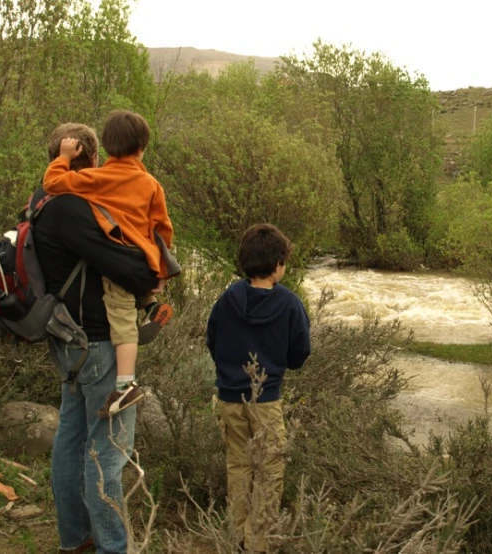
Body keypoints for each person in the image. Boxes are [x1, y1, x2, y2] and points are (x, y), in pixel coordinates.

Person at [34, 123, 161, 553]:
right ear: (91, 157)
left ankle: (76, 539)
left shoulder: (40, 200)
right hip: (96, 342)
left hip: (66, 338)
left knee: (71, 439)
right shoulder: (72, 208)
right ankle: (111, 546)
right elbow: (129, 269)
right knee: (107, 449)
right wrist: (154, 272)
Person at [43, 110, 178, 418]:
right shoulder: (150, 183)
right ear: (142, 147)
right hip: (142, 257)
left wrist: (63, 157)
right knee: (130, 306)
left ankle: (126, 383)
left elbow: (52, 182)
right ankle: (151, 305)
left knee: (121, 321)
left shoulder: (98, 178)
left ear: (105, 146)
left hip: (117, 257)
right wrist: (161, 267)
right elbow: (163, 228)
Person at [206, 224, 311, 553]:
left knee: (237, 464)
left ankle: (238, 537)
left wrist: (227, 370)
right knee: (269, 470)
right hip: (265, 400)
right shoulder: (290, 303)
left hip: (228, 396)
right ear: (279, 264)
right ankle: (258, 543)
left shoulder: (227, 299)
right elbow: (300, 352)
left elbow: (212, 339)